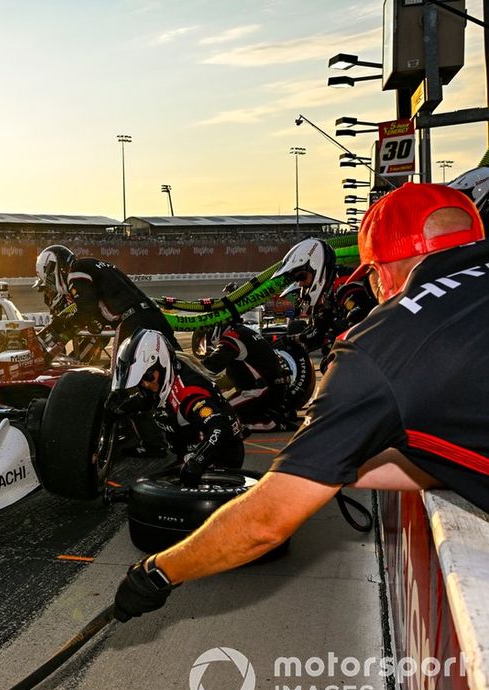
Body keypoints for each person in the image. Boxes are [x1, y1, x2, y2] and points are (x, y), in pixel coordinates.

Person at [112, 182, 489, 623]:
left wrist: (157, 573)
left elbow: (265, 523)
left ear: (381, 271)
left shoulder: (379, 345)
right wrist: (333, 467)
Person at [110, 329, 244, 484]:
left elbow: (220, 428)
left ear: (162, 363)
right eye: (140, 380)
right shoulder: (162, 378)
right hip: (188, 451)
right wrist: (118, 409)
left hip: (218, 457)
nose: (145, 384)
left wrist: (198, 462)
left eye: (147, 376)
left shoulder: (188, 395)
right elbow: (145, 399)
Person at [35, 245, 180, 354]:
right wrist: (100, 320)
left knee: (121, 376)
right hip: (153, 313)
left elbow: (86, 308)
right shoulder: (95, 264)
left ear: (54, 267)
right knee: (180, 362)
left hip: (132, 322)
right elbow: (110, 298)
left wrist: (63, 323)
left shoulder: (76, 271)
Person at [272, 237, 377, 362]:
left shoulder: (345, 284)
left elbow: (362, 322)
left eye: (301, 277)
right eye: (297, 280)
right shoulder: (326, 293)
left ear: (316, 266)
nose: (300, 284)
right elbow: (317, 333)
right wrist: (290, 340)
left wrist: (341, 330)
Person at [201, 315, 295, 431]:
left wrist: (190, 369)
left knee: (217, 414)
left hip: (259, 392)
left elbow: (211, 366)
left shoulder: (231, 338)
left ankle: (269, 422)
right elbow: (237, 374)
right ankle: (274, 413)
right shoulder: (246, 333)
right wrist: (217, 386)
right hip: (275, 390)